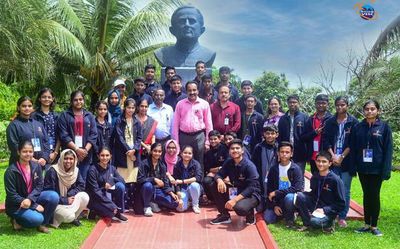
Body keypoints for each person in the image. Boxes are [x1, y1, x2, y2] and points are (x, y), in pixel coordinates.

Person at [351, 100, 392, 236]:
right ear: (363, 111)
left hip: (377, 169)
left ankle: (374, 226)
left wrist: (386, 170)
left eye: (372, 109)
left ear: (378, 111)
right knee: (366, 195)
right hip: (363, 168)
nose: (369, 111)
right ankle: (366, 224)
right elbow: (354, 148)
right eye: (367, 109)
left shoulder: (384, 127)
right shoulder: (358, 127)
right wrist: (354, 166)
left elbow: (388, 150)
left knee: (374, 195)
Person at [4, 141, 59, 233]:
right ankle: (15, 220)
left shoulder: (36, 166)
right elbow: (11, 195)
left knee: (53, 196)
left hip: (31, 198)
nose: (28, 154)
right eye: (24, 151)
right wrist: (34, 205)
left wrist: (30, 200)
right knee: (37, 219)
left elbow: (39, 185)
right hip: (16, 204)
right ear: (18, 152)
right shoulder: (11, 171)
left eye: (30, 151)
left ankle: (42, 225)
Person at [322, 96, 358, 227]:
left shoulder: (353, 122)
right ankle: (332, 214)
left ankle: (342, 216)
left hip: (347, 160)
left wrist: (341, 157)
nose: (339, 107)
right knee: (332, 188)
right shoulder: (330, 121)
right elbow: (325, 140)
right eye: (337, 105)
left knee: (345, 189)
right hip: (333, 160)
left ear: (347, 105)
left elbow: (353, 143)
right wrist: (333, 156)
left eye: (342, 105)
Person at [210, 139, 260, 225]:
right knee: (214, 185)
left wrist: (234, 200)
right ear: (229, 151)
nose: (235, 150)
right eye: (232, 148)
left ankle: (250, 213)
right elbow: (219, 174)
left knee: (240, 209)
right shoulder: (229, 162)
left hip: (251, 195)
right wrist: (219, 180)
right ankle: (224, 215)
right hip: (236, 190)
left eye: (237, 148)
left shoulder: (249, 166)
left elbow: (252, 187)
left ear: (242, 150)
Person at [295, 151, 345, 233]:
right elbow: (313, 194)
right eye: (318, 161)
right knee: (299, 196)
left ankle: (329, 223)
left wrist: (324, 210)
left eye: (324, 161)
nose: (320, 164)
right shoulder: (315, 176)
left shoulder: (335, 180)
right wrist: (301, 195)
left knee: (315, 222)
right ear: (315, 162)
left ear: (330, 163)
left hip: (327, 211)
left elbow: (341, 204)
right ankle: (307, 224)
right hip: (315, 207)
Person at [57, 91, 97, 181]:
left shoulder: (89, 116)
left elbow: (94, 134)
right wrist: (77, 150)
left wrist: (85, 151)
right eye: (76, 100)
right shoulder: (64, 115)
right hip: (69, 155)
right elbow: (64, 135)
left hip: (85, 156)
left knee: (83, 180)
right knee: (69, 180)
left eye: (81, 99)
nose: (78, 102)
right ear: (71, 101)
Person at [172, 81, 213, 169]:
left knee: (199, 161)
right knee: (183, 160)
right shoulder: (180, 104)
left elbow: (209, 123)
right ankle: (183, 181)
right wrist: (176, 142)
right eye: (189, 90)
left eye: (194, 90)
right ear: (186, 92)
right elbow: (175, 124)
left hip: (199, 137)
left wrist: (207, 141)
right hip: (184, 136)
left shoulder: (204, 104)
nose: (192, 92)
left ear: (198, 91)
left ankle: (199, 182)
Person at [43, 149, 89, 228]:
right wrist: (65, 200)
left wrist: (70, 194)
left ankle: (72, 216)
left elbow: (81, 185)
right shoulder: (53, 171)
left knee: (84, 196)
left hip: (70, 200)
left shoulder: (75, 171)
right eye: (66, 158)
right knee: (69, 216)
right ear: (61, 159)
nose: (68, 161)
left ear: (75, 160)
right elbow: (50, 193)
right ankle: (55, 218)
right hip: (56, 203)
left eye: (71, 159)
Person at [263, 142, 304, 226]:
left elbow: (297, 188)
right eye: (282, 152)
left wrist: (277, 192)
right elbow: (270, 189)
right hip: (278, 200)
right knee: (268, 218)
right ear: (278, 153)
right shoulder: (273, 169)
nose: (284, 154)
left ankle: (291, 217)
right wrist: (274, 206)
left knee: (289, 197)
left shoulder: (296, 169)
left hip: (291, 199)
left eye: (287, 152)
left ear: (291, 154)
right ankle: (284, 213)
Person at [138, 143, 183, 216]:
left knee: (174, 203)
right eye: (155, 151)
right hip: (146, 189)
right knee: (148, 185)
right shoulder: (143, 163)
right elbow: (140, 179)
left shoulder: (162, 165)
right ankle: (147, 206)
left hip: (158, 190)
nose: (157, 153)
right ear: (151, 151)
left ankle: (153, 202)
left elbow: (165, 181)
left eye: (159, 151)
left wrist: (171, 193)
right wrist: (154, 179)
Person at [86, 147, 128, 222]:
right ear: (98, 156)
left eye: (107, 155)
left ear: (110, 156)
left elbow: (122, 180)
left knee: (120, 186)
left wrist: (111, 181)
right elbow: (95, 191)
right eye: (102, 155)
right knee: (111, 213)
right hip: (96, 198)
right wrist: (111, 205)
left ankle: (117, 211)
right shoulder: (92, 170)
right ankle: (94, 210)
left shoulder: (112, 168)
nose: (105, 158)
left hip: (107, 196)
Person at [7, 96, 50, 167]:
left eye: (29, 106)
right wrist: (30, 158)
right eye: (24, 106)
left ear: (32, 108)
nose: (27, 108)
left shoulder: (38, 124)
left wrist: (44, 158)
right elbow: (14, 146)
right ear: (18, 108)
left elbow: (46, 142)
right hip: (21, 165)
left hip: (40, 165)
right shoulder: (13, 125)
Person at [111, 98, 142, 191]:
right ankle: (122, 201)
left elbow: (139, 138)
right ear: (124, 108)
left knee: (133, 179)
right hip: (122, 153)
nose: (131, 110)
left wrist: (134, 150)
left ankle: (131, 201)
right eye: (129, 107)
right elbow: (119, 137)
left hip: (134, 153)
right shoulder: (119, 121)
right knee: (122, 179)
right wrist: (128, 150)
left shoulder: (137, 121)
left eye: (133, 108)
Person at [301, 94, 332, 175]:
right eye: (318, 103)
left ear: (327, 104)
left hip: (326, 156)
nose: (321, 105)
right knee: (315, 180)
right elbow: (303, 137)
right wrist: (314, 133)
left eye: (323, 103)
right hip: (313, 156)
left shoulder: (332, 119)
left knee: (327, 182)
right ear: (315, 104)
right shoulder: (310, 119)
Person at [278, 94, 309, 174]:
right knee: (286, 174)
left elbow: (308, 136)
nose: (292, 104)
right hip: (285, 152)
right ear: (287, 103)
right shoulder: (283, 118)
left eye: (294, 102)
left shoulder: (304, 117)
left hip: (300, 152)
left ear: (299, 103)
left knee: (299, 175)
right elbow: (280, 136)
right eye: (290, 102)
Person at [251, 124, 279, 208]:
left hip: (276, 176)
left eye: (272, 133)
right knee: (259, 208)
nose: (270, 136)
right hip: (261, 175)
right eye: (267, 133)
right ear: (264, 134)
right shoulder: (259, 147)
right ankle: (262, 200)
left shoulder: (280, 147)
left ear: (277, 134)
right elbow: (253, 163)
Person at [31, 88, 60, 164]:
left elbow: (60, 135)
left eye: (49, 97)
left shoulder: (56, 116)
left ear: (53, 99)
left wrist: (55, 153)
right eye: (44, 97)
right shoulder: (33, 116)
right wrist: (41, 156)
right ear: (39, 99)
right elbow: (32, 135)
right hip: (39, 154)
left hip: (54, 153)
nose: (47, 99)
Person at [170, 145, 203, 213]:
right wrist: (178, 192)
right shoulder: (177, 165)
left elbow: (198, 177)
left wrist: (182, 181)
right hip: (183, 189)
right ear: (181, 153)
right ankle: (188, 203)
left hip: (194, 189)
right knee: (180, 209)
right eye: (185, 153)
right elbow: (176, 180)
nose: (187, 155)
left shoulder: (196, 164)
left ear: (192, 154)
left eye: (189, 153)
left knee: (194, 185)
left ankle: (195, 204)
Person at [203, 130, 229, 203]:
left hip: (226, 173)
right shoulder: (208, 152)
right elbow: (208, 168)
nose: (213, 141)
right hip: (214, 173)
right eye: (211, 139)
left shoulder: (225, 149)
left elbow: (227, 165)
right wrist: (217, 169)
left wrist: (218, 170)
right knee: (206, 181)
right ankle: (213, 200)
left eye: (215, 139)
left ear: (219, 139)